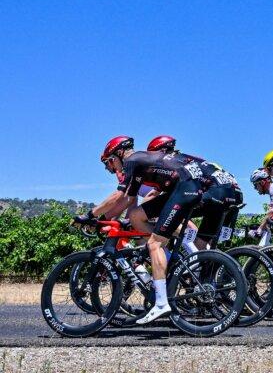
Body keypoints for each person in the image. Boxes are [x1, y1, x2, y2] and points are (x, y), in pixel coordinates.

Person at [91, 137, 241, 325]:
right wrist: (105, 219)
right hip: (205, 190)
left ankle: (161, 303)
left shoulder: (132, 160)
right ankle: (170, 256)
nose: (111, 169)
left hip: (188, 190)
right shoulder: (143, 163)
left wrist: (91, 214)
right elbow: (129, 201)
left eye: (109, 163)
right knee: (138, 216)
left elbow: (120, 196)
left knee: (154, 243)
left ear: (119, 154)